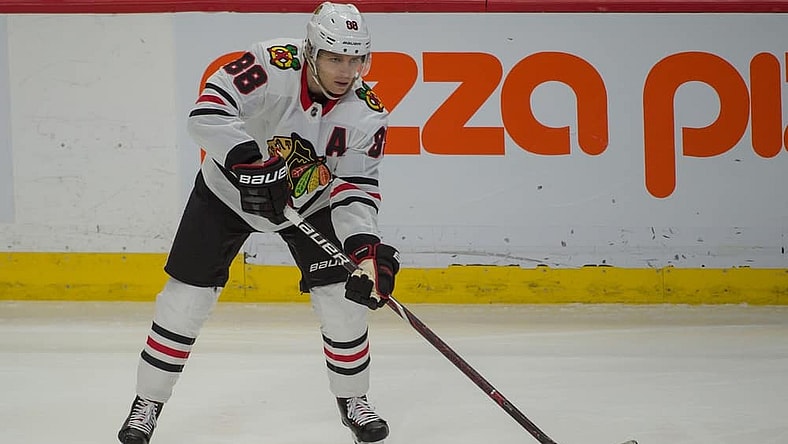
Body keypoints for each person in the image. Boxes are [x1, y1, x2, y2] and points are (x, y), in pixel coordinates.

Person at [116, 3, 399, 443]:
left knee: (344, 304)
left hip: (307, 204)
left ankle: (353, 399)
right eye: (334, 57)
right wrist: (249, 161)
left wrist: (364, 248)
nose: (346, 71)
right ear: (311, 52)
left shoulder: (368, 113)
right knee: (184, 300)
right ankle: (147, 402)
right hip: (227, 192)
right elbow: (206, 112)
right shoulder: (270, 63)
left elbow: (356, 187)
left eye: (355, 59)